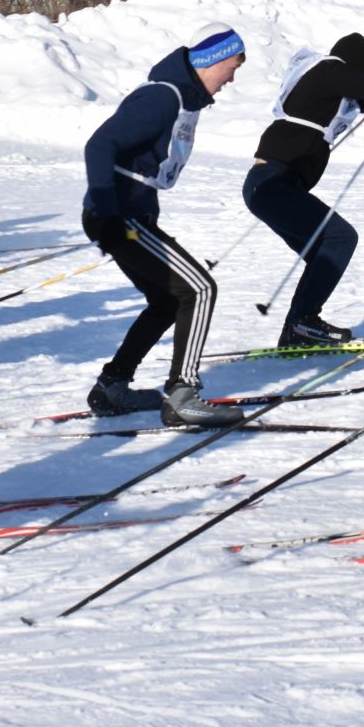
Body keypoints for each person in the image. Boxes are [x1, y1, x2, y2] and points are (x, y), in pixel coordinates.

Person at [80, 23, 247, 426]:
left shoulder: (178, 99)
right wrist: (107, 213)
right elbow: (100, 145)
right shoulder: (161, 97)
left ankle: (112, 386)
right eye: (233, 67)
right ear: (215, 60)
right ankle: (182, 393)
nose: (232, 79)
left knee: (169, 299)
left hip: (128, 214)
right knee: (201, 289)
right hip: (119, 215)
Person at [245, 32, 364, 348]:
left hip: (271, 186)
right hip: (272, 184)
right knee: (340, 237)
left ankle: (299, 328)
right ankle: (302, 323)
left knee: (324, 253)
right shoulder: (328, 70)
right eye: (362, 73)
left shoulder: (325, 83)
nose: (361, 80)